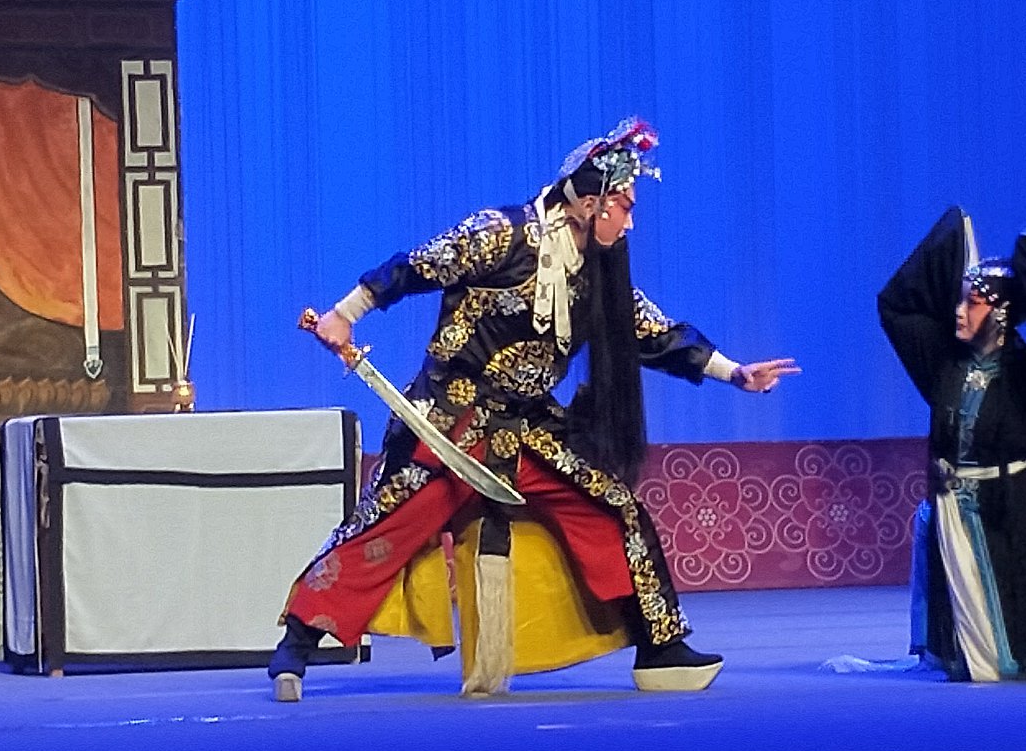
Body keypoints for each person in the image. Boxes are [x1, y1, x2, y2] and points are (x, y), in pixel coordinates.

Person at [268, 119, 800, 700]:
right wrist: (345, 313)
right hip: (451, 423)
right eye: (624, 208)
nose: (629, 222)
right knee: (389, 523)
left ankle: (660, 647)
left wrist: (734, 372)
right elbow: (418, 266)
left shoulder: (596, 272)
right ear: (590, 204)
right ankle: (296, 643)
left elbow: (653, 331)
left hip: (527, 428)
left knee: (612, 509)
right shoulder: (499, 234)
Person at [877, 206, 1026, 681]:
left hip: (1013, 511)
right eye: (960, 301)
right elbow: (896, 305)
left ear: (1000, 312)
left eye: (973, 302)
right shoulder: (944, 364)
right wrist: (953, 235)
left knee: (1022, 633)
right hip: (953, 512)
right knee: (968, 660)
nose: (958, 311)